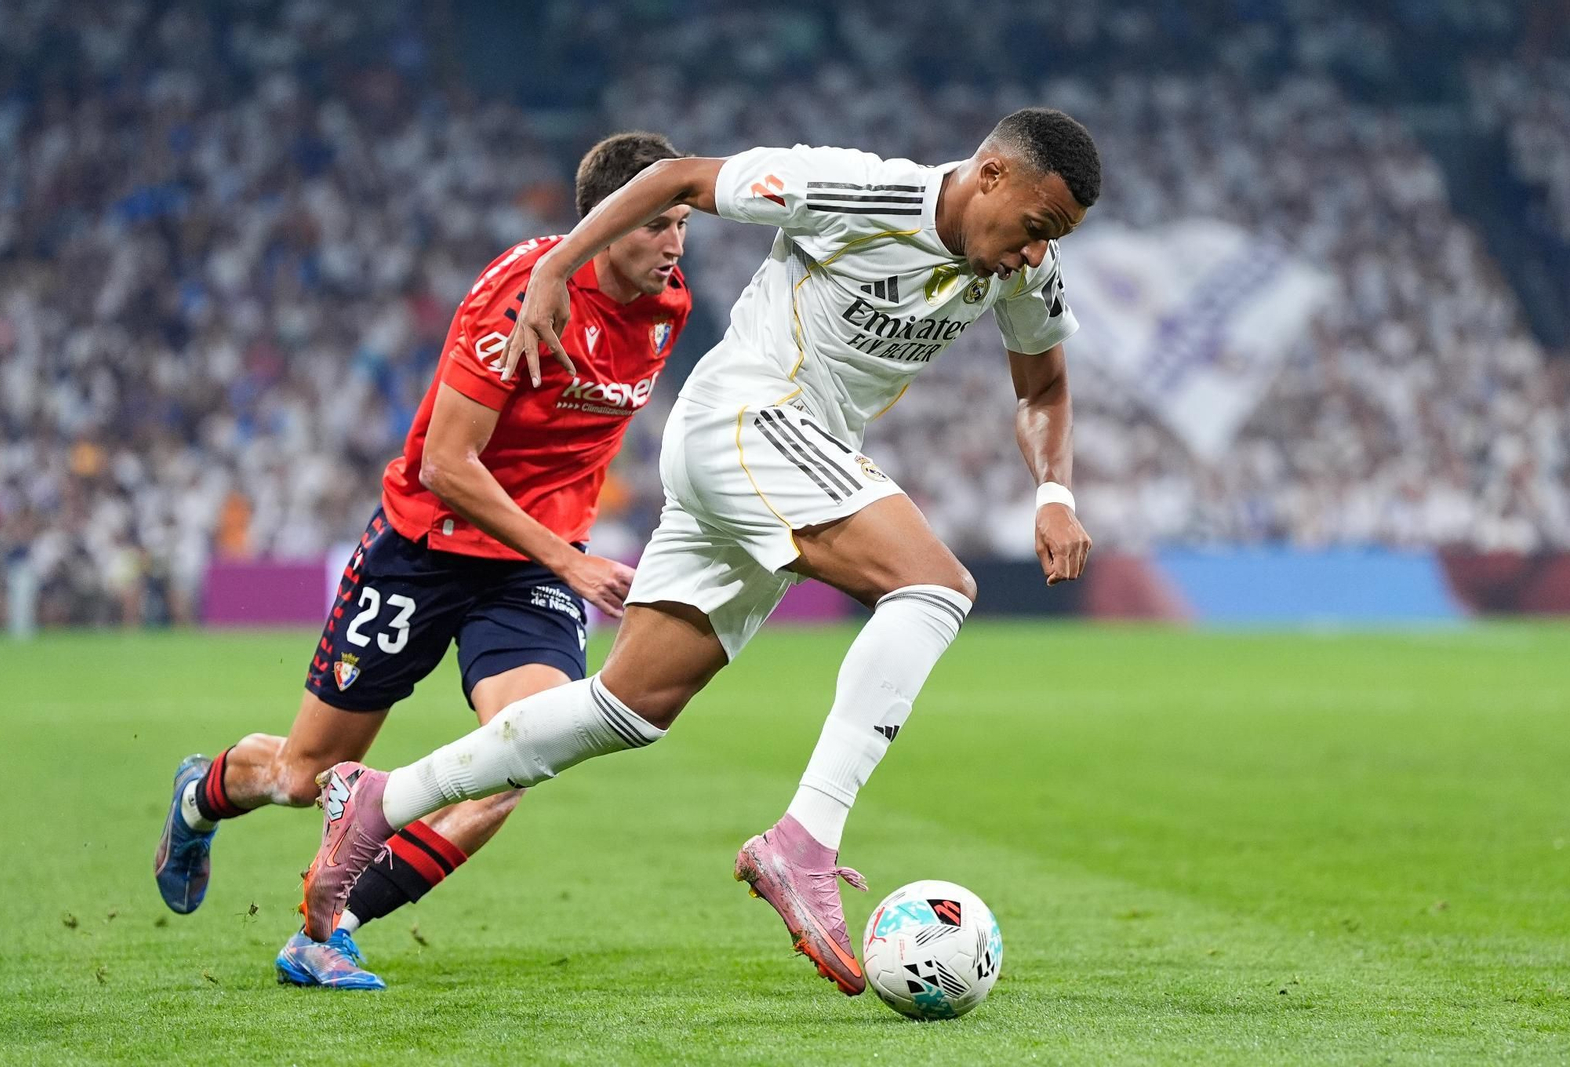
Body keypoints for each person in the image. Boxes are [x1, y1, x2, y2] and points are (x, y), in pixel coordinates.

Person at [300, 107, 1099, 996]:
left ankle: (381, 799)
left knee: (628, 705)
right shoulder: (859, 190)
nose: (1035, 255)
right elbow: (681, 178)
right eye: (1035, 229)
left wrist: (1054, 491)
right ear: (990, 175)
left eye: (1052, 241)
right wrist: (559, 266)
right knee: (936, 587)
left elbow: (1045, 381)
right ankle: (806, 839)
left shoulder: (1028, 270)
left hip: (785, 455)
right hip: (748, 420)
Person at [153, 132, 694, 990]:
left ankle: (331, 926)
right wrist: (573, 558)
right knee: (304, 775)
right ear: (602, 221)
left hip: (528, 574)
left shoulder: (669, 308)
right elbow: (448, 463)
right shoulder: (518, 293)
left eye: (681, 221)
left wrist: (562, 554)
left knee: (522, 755)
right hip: (424, 546)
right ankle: (202, 792)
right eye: (652, 224)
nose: (673, 243)